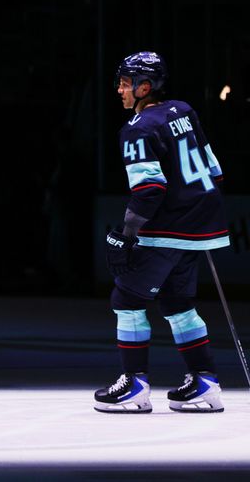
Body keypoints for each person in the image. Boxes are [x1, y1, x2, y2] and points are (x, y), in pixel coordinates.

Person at [95, 51, 229, 414]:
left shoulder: (138, 129)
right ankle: (205, 381)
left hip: (166, 231)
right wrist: (198, 218)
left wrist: (125, 234)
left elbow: (149, 189)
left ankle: (134, 385)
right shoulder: (183, 111)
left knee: (126, 300)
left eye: (125, 84)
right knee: (177, 304)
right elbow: (214, 171)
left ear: (144, 87)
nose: (119, 90)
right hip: (198, 228)